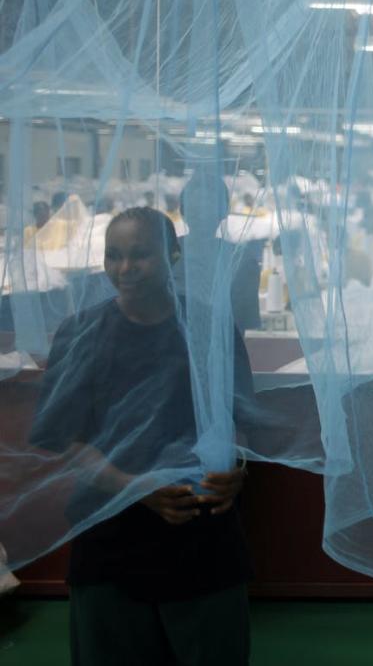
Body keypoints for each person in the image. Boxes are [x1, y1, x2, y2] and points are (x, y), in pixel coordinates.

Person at [29, 207, 252, 665]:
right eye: (113, 256)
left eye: (139, 255)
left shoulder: (209, 329)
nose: (124, 269)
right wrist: (132, 487)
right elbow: (62, 439)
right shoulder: (80, 334)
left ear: (172, 256)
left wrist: (237, 468)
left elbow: (240, 419)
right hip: (111, 543)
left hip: (200, 540)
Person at [175, 172, 262, 331]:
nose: (201, 216)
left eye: (207, 210)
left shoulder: (241, 262)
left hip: (226, 351)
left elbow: (245, 323)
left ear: (223, 213)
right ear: (183, 211)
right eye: (195, 210)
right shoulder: (166, 256)